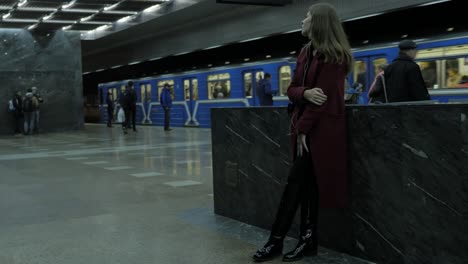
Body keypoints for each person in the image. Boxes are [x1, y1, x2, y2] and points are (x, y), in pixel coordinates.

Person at [252, 3, 352, 262]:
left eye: (306, 16)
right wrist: (304, 93)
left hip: (321, 133)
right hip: (304, 129)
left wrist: (302, 129)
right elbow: (292, 89)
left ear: (317, 21)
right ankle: (308, 241)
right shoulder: (306, 52)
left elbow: (322, 101)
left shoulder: (335, 56)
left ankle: (275, 242)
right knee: (307, 187)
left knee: (295, 185)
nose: (303, 20)